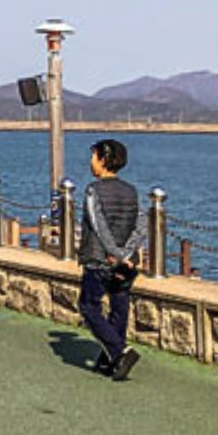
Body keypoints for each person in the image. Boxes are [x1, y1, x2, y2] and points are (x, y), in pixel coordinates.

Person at [78, 138, 145, 381]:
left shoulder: (93, 191)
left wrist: (115, 252)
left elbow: (98, 225)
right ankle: (110, 360)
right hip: (125, 263)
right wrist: (127, 253)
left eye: (93, 156)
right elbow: (141, 223)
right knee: (119, 308)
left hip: (99, 259)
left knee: (88, 306)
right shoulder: (131, 190)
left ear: (103, 160)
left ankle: (119, 351)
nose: (91, 162)